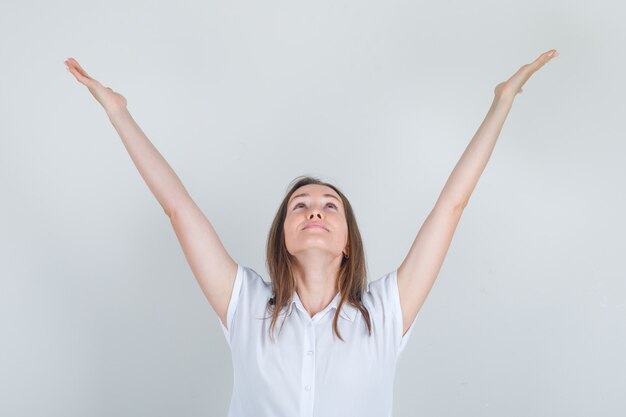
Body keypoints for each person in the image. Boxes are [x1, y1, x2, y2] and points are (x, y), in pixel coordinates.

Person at [65, 48, 559, 416]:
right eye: (300, 206)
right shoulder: (246, 307)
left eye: (329, 206)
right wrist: (118, 113)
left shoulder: (385, 313)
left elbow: (451, 206)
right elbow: (178, 208)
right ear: (284, 235)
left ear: (348, 242)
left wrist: (501, 103)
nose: (314, 211)